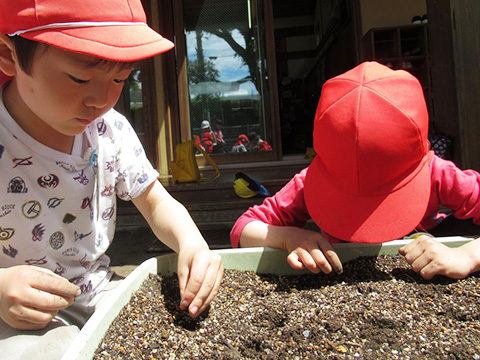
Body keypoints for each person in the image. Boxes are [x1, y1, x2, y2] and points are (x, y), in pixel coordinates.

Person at [0, 0, 223, 358]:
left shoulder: (109, 130)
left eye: (120, 78)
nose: (101, 99)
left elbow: (156, 202)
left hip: (99, 290)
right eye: (80, 78)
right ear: (8, 55)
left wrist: (192, 243)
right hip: (21, 311)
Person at [231, 61, 480, 280]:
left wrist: (466, 256)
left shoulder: (436, 174)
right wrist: (289, 237)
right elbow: (243, 229)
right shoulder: (309, 184)